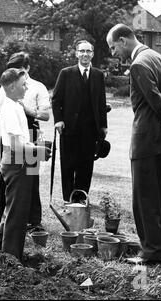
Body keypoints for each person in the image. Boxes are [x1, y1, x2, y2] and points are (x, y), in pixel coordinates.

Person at [106, 24, 161, 264]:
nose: (113, 52)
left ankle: (151, 252)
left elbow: (156, 103)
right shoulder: (160, 59)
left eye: (113, 46)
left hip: (146, 143)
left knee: (144, 200)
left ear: (124, 40)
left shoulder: (138, 64)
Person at [0, 68, 51, 261]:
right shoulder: (9, 109)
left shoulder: (16, 105)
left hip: (20, 159)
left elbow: (22, 142)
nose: (26, 87)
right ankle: (11, 256)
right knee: (18, 213)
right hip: (16, 161)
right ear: (11, 86)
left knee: (13, 207)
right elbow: (16, 146)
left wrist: (35, 146)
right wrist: (37, 151)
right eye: (22, 84)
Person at [51, 40, 108, 203]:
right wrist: (58, 120)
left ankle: (81, 197)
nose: (85, 54)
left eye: (88, 51)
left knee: (86, 165)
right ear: (76, 53)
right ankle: (69, 199)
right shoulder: (66, 73)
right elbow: (56, 100)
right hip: (69, 128)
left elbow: (101, 102)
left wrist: (103, 125)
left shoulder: (98, 75)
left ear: (92, 54)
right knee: (68, 165)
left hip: (91, 129)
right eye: (82, 51)